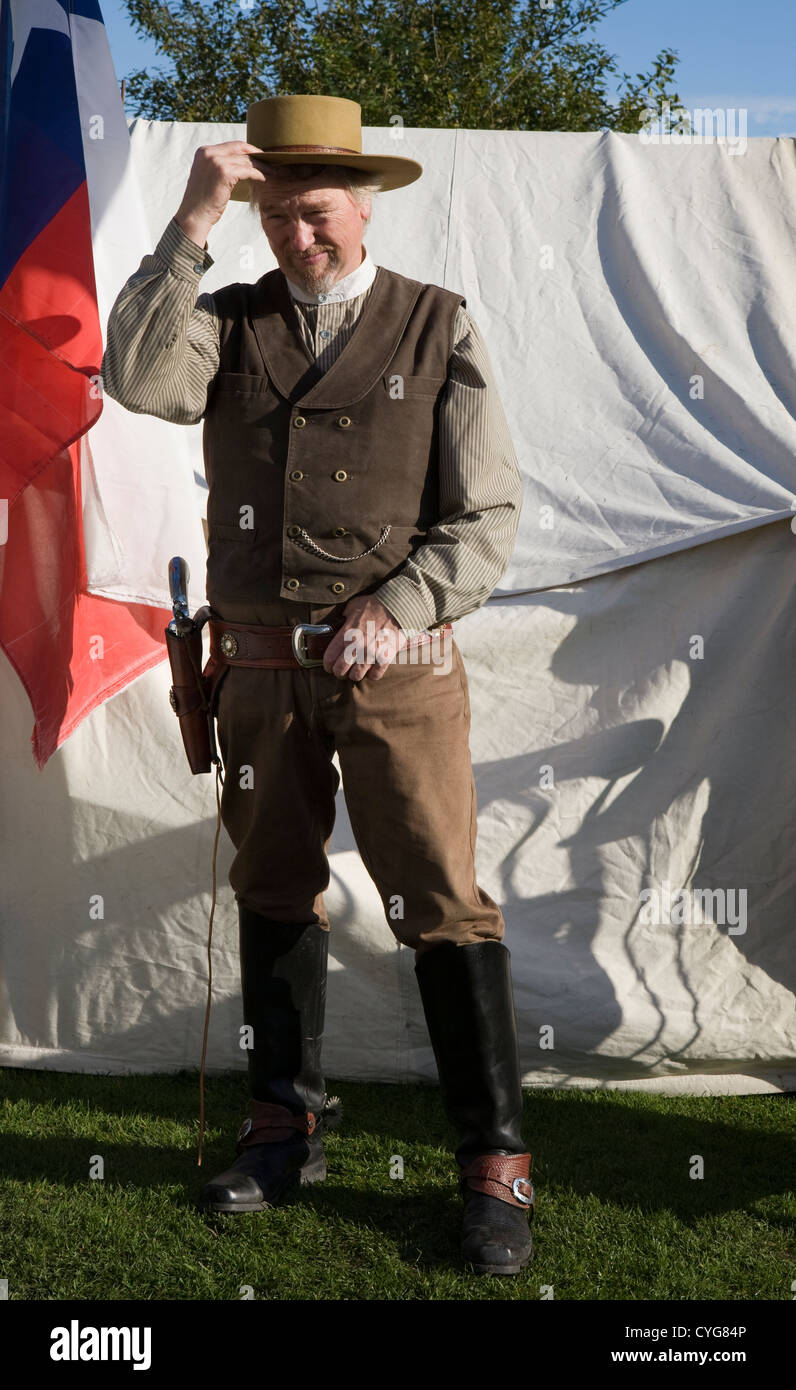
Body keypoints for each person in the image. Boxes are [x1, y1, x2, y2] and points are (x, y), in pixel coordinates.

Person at [101, 94, 533, 1276]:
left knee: (439, 898)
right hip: (253, 675)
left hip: (402, 669)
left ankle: (492, 1162)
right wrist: (193, 219)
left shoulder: (438, 324)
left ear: (366, 204)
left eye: (322, 213)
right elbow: (135, 378)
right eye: (279, 215)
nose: (302, 237)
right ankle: (285, 1127)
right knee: (274, 888)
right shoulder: (222, 322)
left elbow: (485, 515)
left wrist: (396, 607)